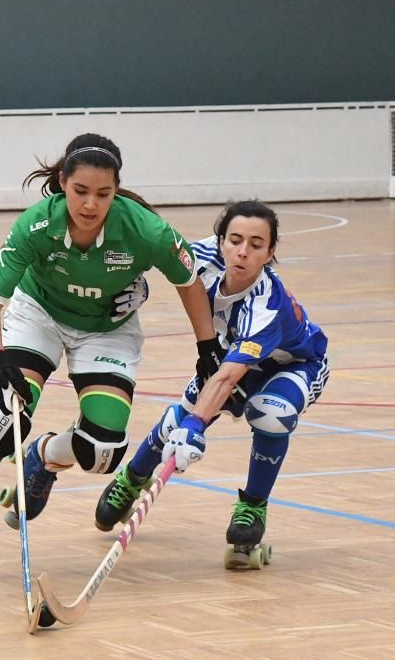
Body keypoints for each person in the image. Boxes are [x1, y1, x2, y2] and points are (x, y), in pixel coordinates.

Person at [0, 133, 218, 584]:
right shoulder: (36, 225)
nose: (90, 204)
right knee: (8, 417)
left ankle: (43, 456)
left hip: (108, 329)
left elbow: (188, 281)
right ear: (62, 183)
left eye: (103, 194)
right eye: (80, 191)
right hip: (38, 314)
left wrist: (206, 345)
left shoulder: (146, 230)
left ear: (116, 191)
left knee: (103, 452)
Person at [93, 199, 329, 568]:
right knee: (176, 422)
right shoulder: (200, 255)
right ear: (220, 241)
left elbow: (230, 376)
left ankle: (252, 506)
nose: (242, 251)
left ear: (270, 253)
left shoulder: (267, 305)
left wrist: (197, 427)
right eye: (234, 240)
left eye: (255, 244)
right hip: (228, 353)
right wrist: (137, 286)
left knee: (268, 413)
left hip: (293, 365)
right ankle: (133, 476)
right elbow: (151, 253)